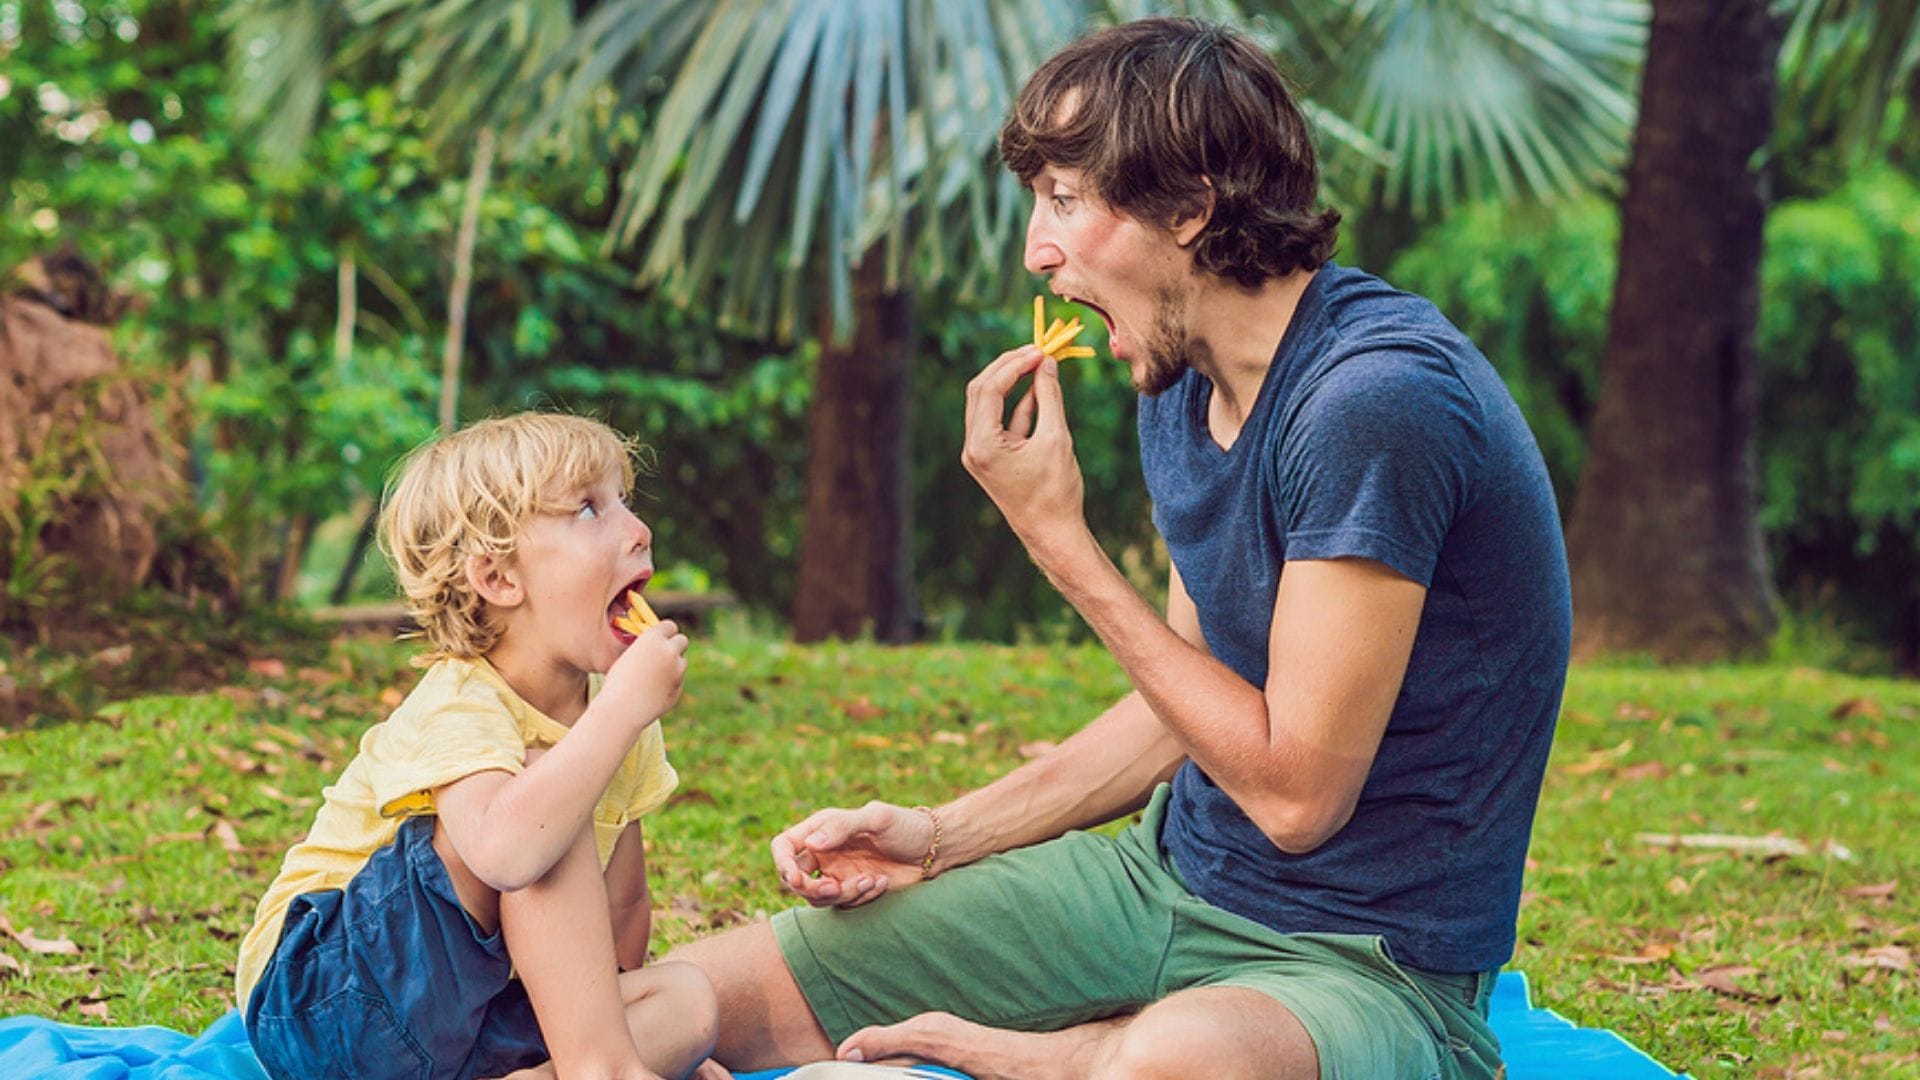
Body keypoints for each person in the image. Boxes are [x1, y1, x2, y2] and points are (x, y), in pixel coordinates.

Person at [670, 16, 1571, 1080]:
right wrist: (939, 835)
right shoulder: (1179, 381)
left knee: (1174, 1062)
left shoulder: (1373, 405)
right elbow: (1183, 713)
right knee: (700, 995)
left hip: (1368, 967)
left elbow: (1292, 799)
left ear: (1189, 208)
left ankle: (1079, 1053)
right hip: (1163, 887)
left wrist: (1063, 549)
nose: (1034, 251)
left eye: (1062, 200)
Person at [235, 412, 719, 1080]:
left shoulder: (614, 712)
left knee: (688, 1002)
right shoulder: (461, 700)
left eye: (625, 503)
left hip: (462, 1021)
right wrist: (621, 711)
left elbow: (623, 908)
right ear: (498, 579)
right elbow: (505, 849)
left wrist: (615, 1037)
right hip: (320, 998)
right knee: (541, 800)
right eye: (588, 510)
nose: (639, 531)